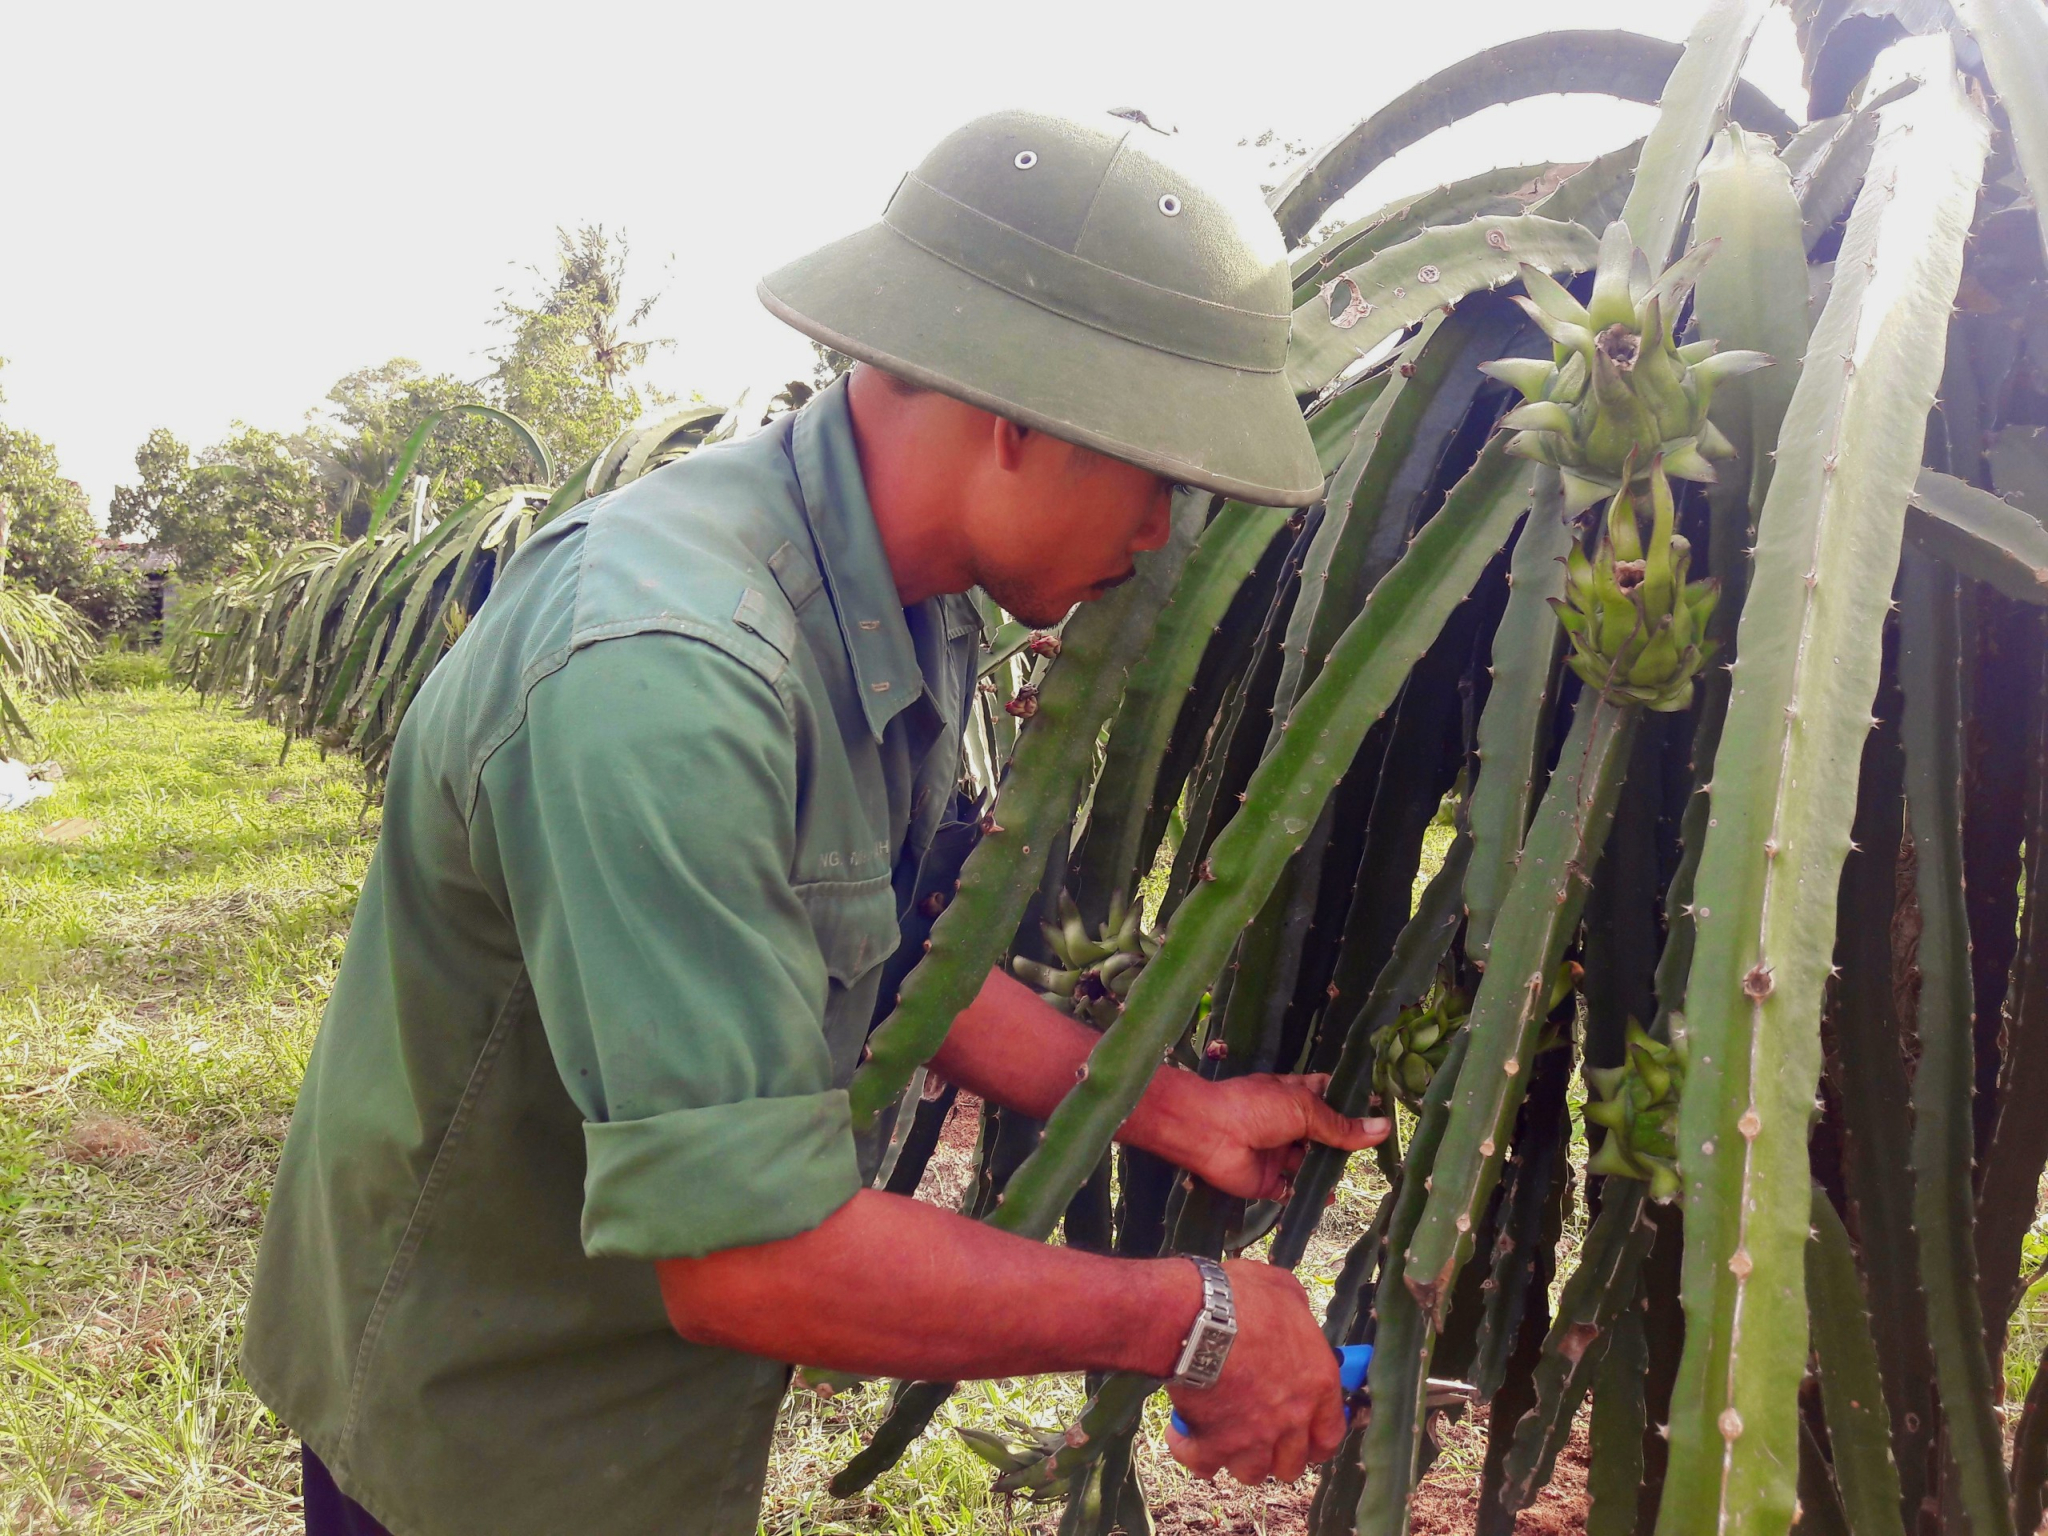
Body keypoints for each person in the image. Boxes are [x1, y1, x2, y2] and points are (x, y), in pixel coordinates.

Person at [243, 107, 1390, 1536]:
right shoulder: (664, 679)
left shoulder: (907, 607)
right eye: (1160, 475)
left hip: (640, 1411)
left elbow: (906, 950)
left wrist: (1179, 1115)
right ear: (1018, 415)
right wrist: (1197, 1320)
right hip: (488, 1432)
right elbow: (748, 1260)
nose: (1166, 532)